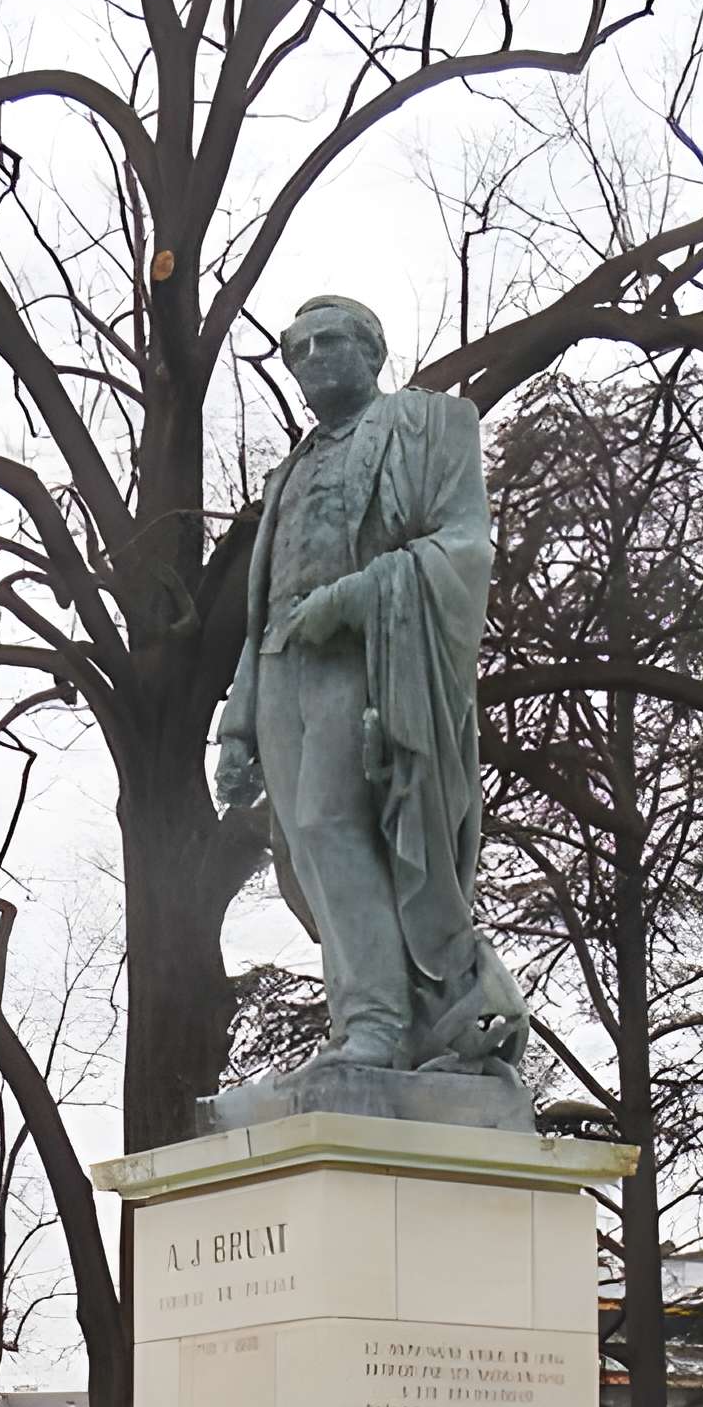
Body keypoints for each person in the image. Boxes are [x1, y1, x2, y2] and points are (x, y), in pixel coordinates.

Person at [214, 295, 529, 1077]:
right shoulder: (288, 471)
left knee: (330, 825)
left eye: (329, 340)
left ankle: (379, 1027)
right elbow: (261, 614)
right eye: (297, 348)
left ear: (372, 352)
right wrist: (237, 720)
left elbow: (463, 548)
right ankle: (366, 1021)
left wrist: (356, 597)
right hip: (285, 669)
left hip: (370, 658)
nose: (311, 356)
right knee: (307, 850)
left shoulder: (428, 426)